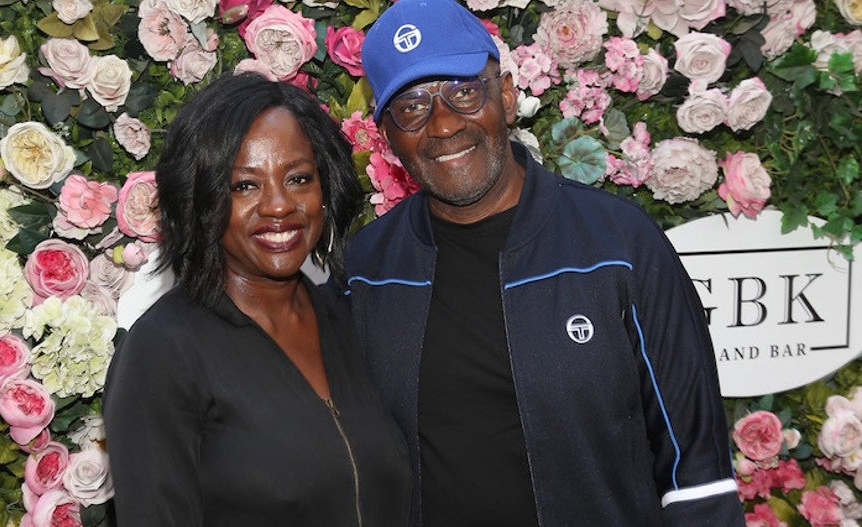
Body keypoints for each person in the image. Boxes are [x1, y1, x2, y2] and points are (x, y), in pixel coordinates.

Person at [341, 0, 748, 525]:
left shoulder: (618, 246)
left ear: (506, 96)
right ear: (388, 136)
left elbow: (698, 476)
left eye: (463, 92)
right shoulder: (366, 267)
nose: (442, 125)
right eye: (412, 106)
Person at [103, 72, 411, 526]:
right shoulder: (162, 352)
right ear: (203, 200)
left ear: (326, 190)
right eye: (245, 185)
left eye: (299, 178)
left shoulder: (349, 316)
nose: (279, 206)